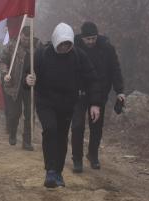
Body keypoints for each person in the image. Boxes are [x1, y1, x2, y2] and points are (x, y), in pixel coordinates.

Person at [26, 23, 103, 188]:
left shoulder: (78, 56)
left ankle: (58, 172)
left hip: (67, 104)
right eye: (61, 44)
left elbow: (92, 79)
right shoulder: (41, 54)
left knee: (61, 135)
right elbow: (28, 73)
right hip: (45, 101)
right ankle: (50, 171)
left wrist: (95, 103)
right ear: (55, 41)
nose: (64, 48)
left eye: (67, 44)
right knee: (50, 130)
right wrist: (29, 80)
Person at [71, 22, 125, 172]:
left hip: (100, 92)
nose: (91, 42)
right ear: (82, 37)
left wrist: (119, 90)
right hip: (78, 93)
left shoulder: (107, 48)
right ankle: (77, 159)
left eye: (93, 38)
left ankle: (93, 154)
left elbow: (115, 69)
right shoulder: (74, 48)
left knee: (96, 126)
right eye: (88, 39)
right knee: (77, 125)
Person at [1, 26, 37, 151]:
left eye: (28, 39)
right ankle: (12, 133)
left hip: (29, 86)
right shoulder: (12, 45)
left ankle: (27, 141)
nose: (26, 41)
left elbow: (42, 65)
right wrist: (5, 73)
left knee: (29, 114)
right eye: (24, 38)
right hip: (13, 84)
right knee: (14, 113)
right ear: (21, 35)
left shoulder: (37, 47)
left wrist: (36, 77)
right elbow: (3, 61)